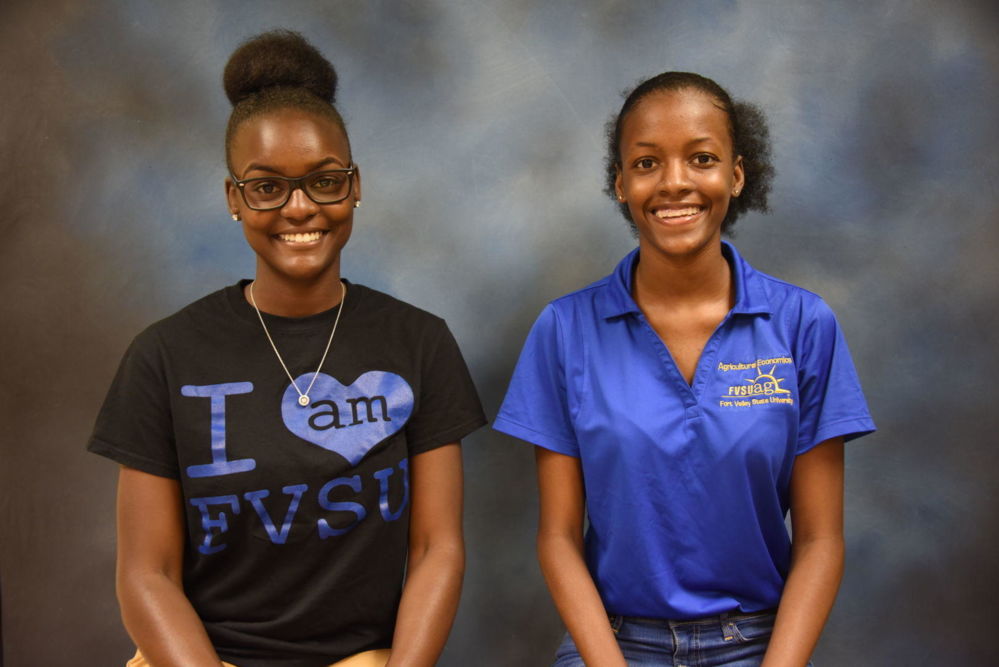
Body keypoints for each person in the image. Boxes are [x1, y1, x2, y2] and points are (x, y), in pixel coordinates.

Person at [88, 30, 486, 667]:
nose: (300, 208)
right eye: (267, 187)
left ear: (355, 186)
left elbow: (438, 548)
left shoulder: (418, 342)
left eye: (325, 181)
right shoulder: (163, 357)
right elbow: (147, 573)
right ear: (233, 200)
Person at [493, 72, 875, 666]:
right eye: (646, 164)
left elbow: (822, 540)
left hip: (757, 645)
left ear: (736, 174)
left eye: (701, 158)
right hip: (613, 643)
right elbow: (559, 539)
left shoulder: (803, 324)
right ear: (620, 184)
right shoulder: (565, 330)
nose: (675, 183)